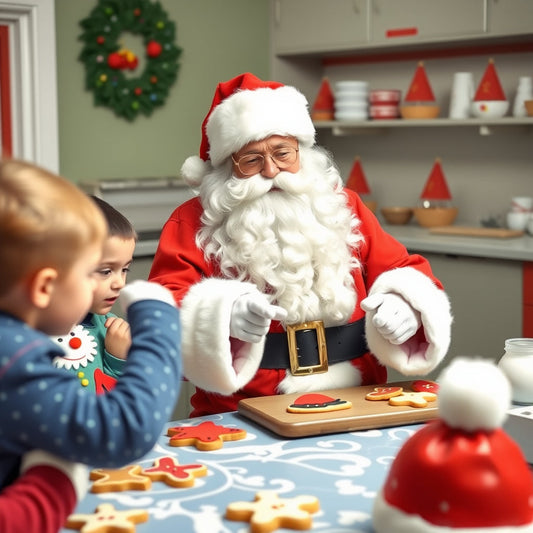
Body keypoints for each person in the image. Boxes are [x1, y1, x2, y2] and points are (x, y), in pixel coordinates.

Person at [149, 72, 452, 417]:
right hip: (243, 412)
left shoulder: (342, 204)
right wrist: (219, 317)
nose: (271, 170)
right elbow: (161, 309)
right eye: (251, 159)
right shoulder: (193, 220)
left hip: (360, 402)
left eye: (282, 152)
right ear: (226, 167)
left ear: (301, 150)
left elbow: (401, 268)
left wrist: (406, 305)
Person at [0, 159, 181, 531]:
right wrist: (160, 325)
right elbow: (123, 430)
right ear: (44, 287)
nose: (111, 283)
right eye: (89, 273)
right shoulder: (14, 357)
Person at [51, 196, 137, 393]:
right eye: (106, 271)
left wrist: (119, 360)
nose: (120, 283)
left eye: (125, 269)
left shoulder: (113, 330)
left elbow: (121, 405)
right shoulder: (30, 333)